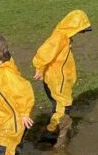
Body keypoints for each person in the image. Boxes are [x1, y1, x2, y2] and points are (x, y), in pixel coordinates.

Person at [33, 10, 91, 144]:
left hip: (59, 80)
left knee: (58, 106)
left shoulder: (64, 36)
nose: (81, 33)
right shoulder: (60, 38)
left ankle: (52, 130)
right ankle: (52, 133)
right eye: (81, 29)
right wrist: (40, 68)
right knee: (63, 107)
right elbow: (44, 53)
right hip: (57, 81)